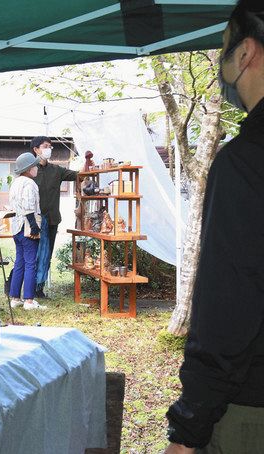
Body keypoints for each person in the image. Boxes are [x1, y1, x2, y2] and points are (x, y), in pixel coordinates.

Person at [165, 2, 264, 452]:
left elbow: (229, 306)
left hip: (251, 407)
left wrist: (189, 427)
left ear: (245, 53)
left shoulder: (245, 161)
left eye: (223, 45)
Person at [29, 136, 77, 298]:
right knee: (32, 255)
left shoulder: (57, 170)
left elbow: (79, 175)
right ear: (36, 149)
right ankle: (28, 286)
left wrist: (88, 164)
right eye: (45, 146)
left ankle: (39, 288)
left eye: (50, 146)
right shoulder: (30, 170)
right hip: (33, 221)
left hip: (52, 219)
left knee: (46, 254)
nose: (48, 149)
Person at [8, 152, 46, 310]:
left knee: (20, 262)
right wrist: (34, 225)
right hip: (27, 226)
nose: (37, 168)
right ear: (29, 169)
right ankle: (29, 300)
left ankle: (15, 298)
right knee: (31, 263)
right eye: (35, 165)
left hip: (16, 227)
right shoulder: (30, 184)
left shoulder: (16, 182)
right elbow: (28, 205)